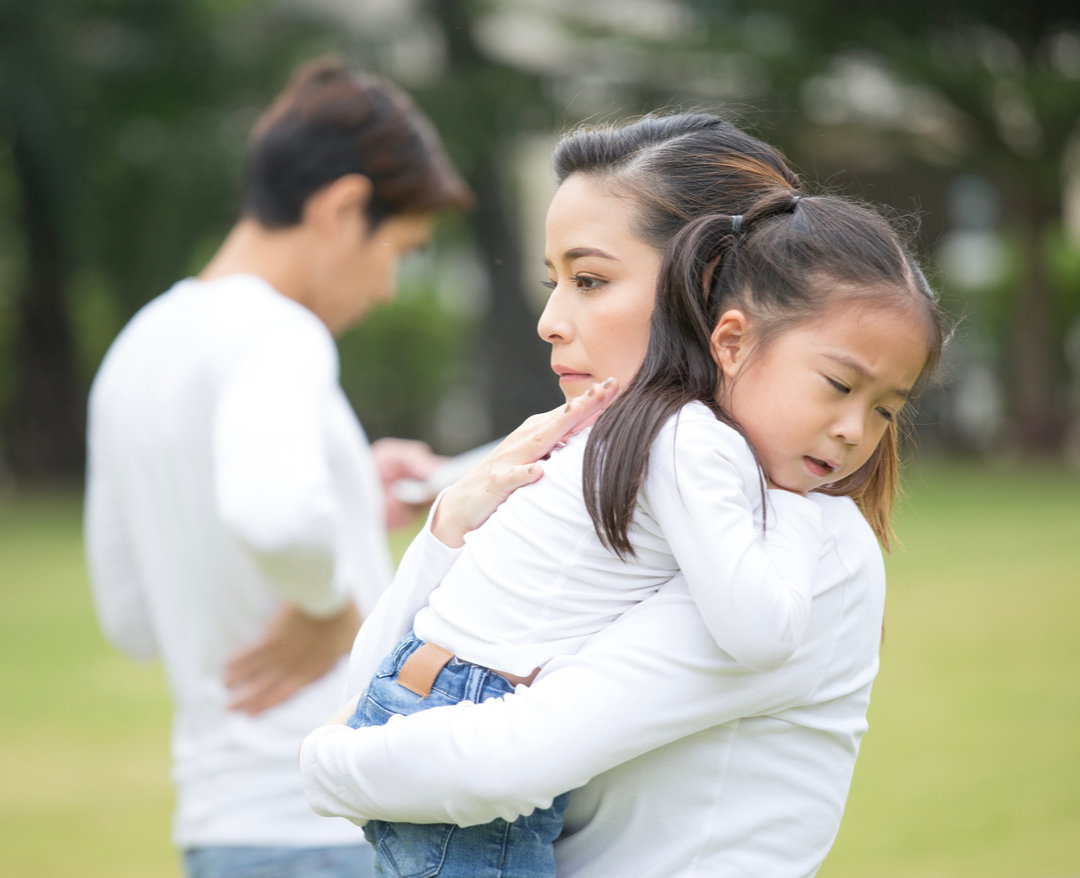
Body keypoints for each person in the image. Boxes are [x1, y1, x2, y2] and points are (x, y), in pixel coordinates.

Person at [300, 115, 945, 878]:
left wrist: (321, 766)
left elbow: (507, 759)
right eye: (554, 282)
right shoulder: (632, 486)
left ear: (703, 294)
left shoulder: (804, 546)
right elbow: (394, 683)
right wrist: (449, 526)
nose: (549, 321)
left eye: (591, 280)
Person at [84, 60, 471, 878]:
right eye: (397, 249)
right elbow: (277, 518)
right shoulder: (281, 332)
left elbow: (132, 618)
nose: (388, 286)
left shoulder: (138, 348)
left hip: (221, 830)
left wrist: (346, 492)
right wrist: (327, 602)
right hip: (328, 830)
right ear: (342, 208)